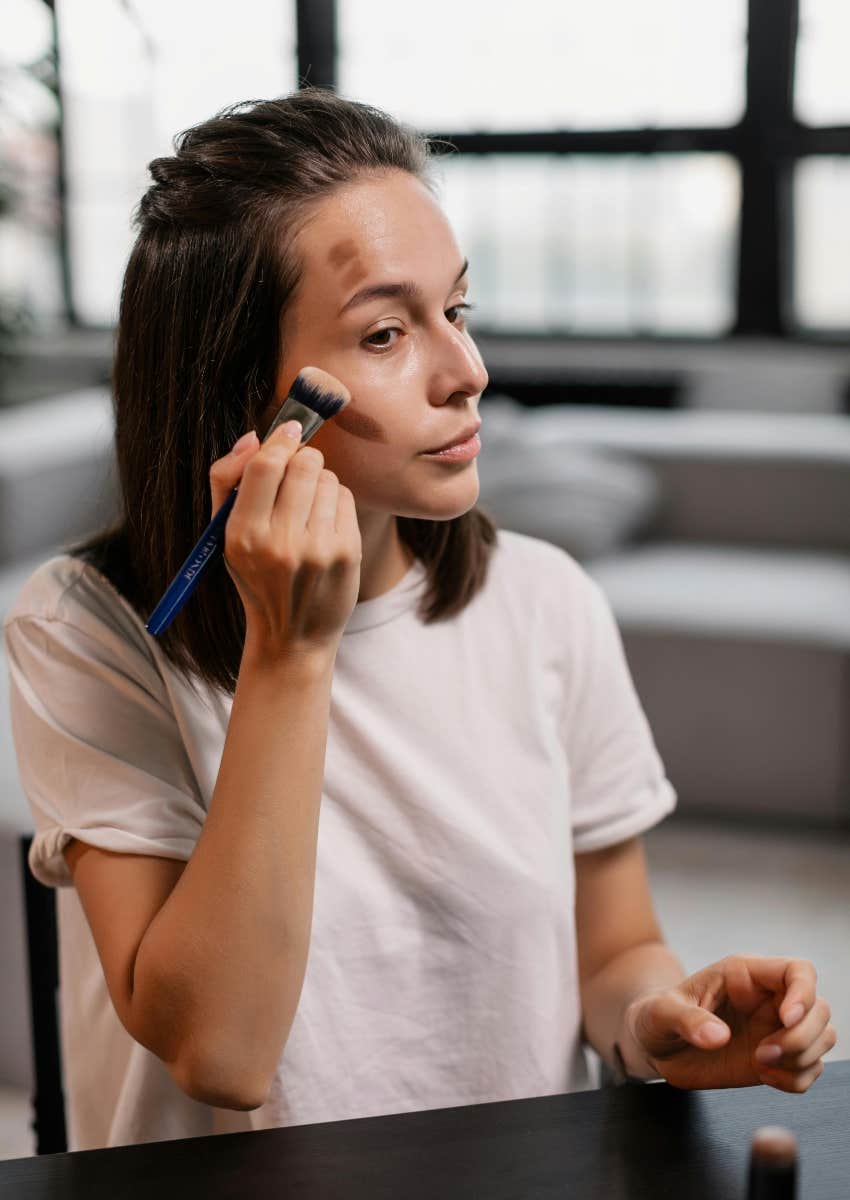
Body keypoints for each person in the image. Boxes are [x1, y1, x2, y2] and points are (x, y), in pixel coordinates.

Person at [2, 89, 836, 1152]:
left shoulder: (545, 602)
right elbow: (221, 1050)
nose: (467, 373)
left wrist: (660, 1029)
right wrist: (291, 655)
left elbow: (613, 947)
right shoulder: (86, 632)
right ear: (238, 395)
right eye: (387, 332)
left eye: (460, 310)